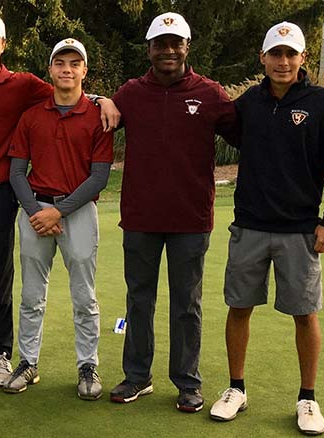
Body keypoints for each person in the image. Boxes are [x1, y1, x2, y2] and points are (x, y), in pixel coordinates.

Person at [0, 12, 120, 387]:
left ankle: (14, 356)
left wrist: (102, 98)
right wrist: (38, 210)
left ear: (4, 45)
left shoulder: (23, 86)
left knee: (11, 281)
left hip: (11, 198)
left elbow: (72, 97)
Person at [209, 22, 324, 435]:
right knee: (239, 307)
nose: (283, 61)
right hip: (249, 225)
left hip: (301, 230)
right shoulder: (248, 103)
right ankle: (237, 388)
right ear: (263, 58)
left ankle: (308, 398)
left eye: (291, 54)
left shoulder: (321, 102)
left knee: (304, 315)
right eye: (276, 54)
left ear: (302, 58)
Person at [108, 12, 236, 412]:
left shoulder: (211, 93)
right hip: (141, 217)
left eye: (175, 43)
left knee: (187, 305)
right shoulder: (130, 93)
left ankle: (187, 382)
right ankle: (137, 376)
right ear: (148, 49)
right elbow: (94, 116)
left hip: (190, 220)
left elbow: (255, 138)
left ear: (186, 47)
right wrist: (100, 100)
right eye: (160, 44)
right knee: (138, 301)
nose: (168, 50)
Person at [4, 38, 113, 400]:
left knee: (84, 297)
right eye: (60, 63)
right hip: (35, 211)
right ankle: (28, 362)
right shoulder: (32, 116)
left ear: (84, 70)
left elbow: (99, 176)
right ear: (50, 69)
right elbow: (17, 172)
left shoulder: (98, 116)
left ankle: (87, 366)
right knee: (32, 296)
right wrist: (38, 212)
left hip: (78, 212)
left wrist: (59, 211)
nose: (67, 69)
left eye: (74, 63)